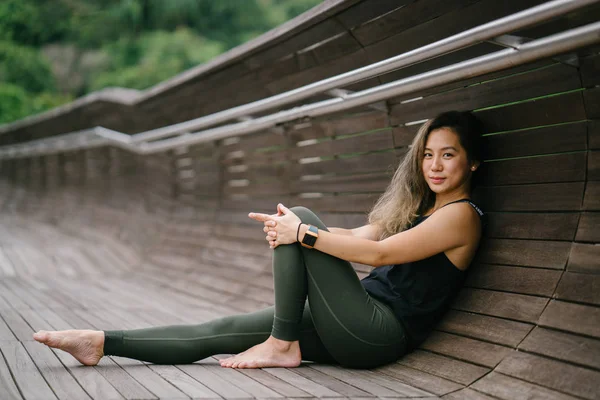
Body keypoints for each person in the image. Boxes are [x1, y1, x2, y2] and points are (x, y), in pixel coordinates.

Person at [33, 110, 484, 369]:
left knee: (303, 220)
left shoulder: (460, 218)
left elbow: (378, 253)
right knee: (224, 331)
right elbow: (356, 235)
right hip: (351, 320)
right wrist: (290, 229)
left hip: (378, 333)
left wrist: (303, 232)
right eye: (428, 155)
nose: (435, 165)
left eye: (448, 155)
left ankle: (282, 344)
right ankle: (101, 342)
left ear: (473, 163)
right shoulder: (420, 210)